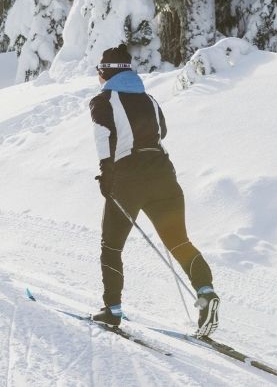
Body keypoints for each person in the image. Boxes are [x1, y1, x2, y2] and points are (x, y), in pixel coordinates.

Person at [88, 45, 220, 336]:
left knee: (111, 247)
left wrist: (106, 175)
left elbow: (104, 137)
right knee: (179, 242)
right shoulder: (150, 100)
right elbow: (163, 131)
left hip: (128, 179)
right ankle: (207, 293)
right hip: (163, 175)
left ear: (107, 73)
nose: (98, 77)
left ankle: (112, 311)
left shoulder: (103, 100)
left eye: (99, 71)